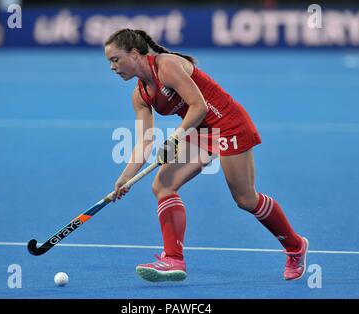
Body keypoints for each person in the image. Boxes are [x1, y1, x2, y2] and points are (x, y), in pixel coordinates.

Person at [104, 28, 308, 282]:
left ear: (134, 54)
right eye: (109, 62)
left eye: (115, 59)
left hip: (228, 123)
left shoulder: (166, 66)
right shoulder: (140, 95)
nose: (112, 67)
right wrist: (125, 178)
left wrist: (175, 138)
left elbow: (198, 105)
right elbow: (145, 140)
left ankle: (295, 246)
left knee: (245, 199)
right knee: (163, 185)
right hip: (200, 129)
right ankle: (173, 259)